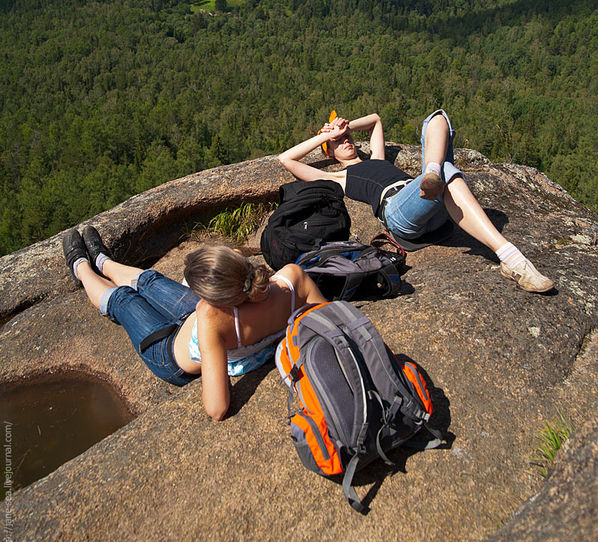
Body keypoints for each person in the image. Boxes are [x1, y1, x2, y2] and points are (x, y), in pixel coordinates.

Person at [62, 226, 325, 420]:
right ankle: (104, 262)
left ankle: (82, 266)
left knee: (123, 299)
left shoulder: (212, 316)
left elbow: (217, 408)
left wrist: (205, 312)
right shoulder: (294, 277)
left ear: (215, 300)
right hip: (202, 320)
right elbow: (327, 317)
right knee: (152, 281)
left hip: (169, 354)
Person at [278, 109, 554, 293]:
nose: (346, 141)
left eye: (348, 138)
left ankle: (432, 173)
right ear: (331, 151)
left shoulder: (376, 159)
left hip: (423, 198)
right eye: (339, 142)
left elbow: (375, 119)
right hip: (398, 212)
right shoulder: (339, 177)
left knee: (438, 117)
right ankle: (512, 259)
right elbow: (286, 160)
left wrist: (346, 124)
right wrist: (327, 135)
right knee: (446, 173)